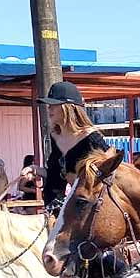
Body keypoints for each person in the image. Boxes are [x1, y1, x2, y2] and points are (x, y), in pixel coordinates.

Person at [34, 81, 108, 212]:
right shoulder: (54, 137)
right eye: (48, 104)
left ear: (68, 107)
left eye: (53, 104)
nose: (48, 108)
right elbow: (55, 176)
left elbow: (110, 170)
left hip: (87, 211)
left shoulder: (91, 137)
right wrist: (34, 169)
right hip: (56, 210)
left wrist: (79, 179)